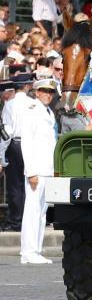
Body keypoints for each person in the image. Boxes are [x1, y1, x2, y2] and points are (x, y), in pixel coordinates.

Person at [19, 78, 57, 264]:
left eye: (50, 92)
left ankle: (35, 249)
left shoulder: (49, 112)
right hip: (37, 170)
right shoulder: (32, 111)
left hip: (47, 169)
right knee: (33, 210)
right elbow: (26, 143)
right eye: (44, 91)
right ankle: (28, 251)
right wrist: (31, 171)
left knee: (41, 212)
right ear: (36, 92)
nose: (48, 94)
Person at [0, 74, 32, 232]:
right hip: (30, 144)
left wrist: (1, 155)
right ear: (27, 86)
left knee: (14, 185)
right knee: (28, 184)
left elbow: (7, 132)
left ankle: (16, 221)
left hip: (15, 144)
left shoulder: (10, 104)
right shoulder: (33, 104)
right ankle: (27, 219)